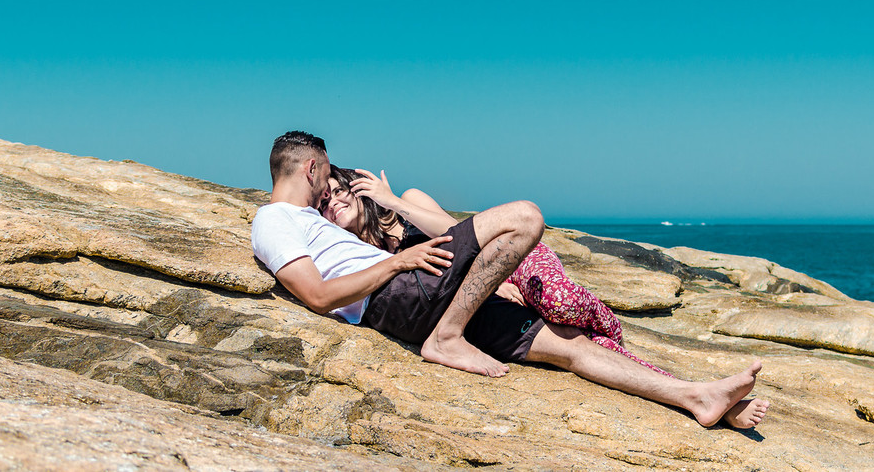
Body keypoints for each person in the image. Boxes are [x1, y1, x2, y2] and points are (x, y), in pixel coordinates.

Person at [250, 131, 770, 428]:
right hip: (403, 297)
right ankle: (446, 339)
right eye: (326, 184)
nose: (329, 195)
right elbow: (317, 295)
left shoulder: (314, 220)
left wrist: (394, 213)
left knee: (571, 347)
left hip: (430, 296)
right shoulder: (273, 220)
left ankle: (696, 398)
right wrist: (397, 263)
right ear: (315, 166)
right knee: (523, 216)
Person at [322, 165, 671, 375]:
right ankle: (628, 357)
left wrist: (394, 202)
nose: (334, 202)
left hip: (511, 260)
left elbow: (457, 233)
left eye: (340, 192)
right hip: (480, 296)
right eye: (324, 203)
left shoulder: (405, 203)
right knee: (577, 343)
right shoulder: (358, 256)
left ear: (358, 190)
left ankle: (609, 324)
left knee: (559, 302)